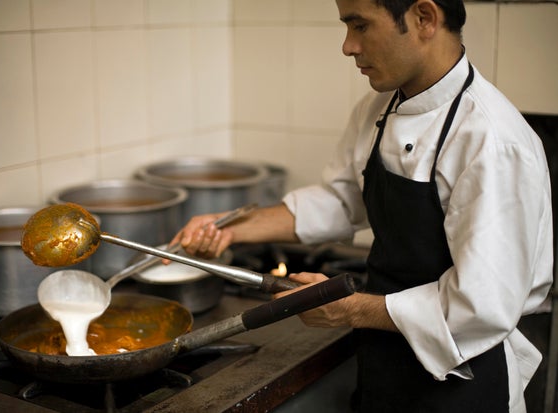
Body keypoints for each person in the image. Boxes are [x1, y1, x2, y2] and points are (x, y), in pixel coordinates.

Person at [167, 0, 553, 411]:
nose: (348, 46)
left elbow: (481, 307)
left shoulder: (493, 141)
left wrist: (351, 309)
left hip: (464, 378)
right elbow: (340, 199)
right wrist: (231, 228)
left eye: (360, 25)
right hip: (388, 360)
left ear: (424, 19)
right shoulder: (380, 107)